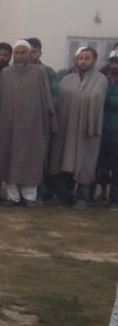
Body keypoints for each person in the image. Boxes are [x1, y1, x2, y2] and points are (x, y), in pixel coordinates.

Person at [0, 40, 56, 207]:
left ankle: (30, 197)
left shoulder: (39, 72)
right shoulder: (6, 73)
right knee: (9, 158)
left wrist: (50, 121)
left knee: (31, 160)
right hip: (8, 126)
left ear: (28, 54)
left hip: (33, 125)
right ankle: (12, 196)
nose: (19, 56)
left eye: (22, 52)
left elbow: (46, 98)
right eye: (16, 53)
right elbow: (0, 99)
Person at [49, 47, 109, 209]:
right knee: (65, 160)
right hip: (67, 129)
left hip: (87, 130)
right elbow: (60, 101)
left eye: (87, 58)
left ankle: (83, 198)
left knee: (85, 162)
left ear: (94, 60)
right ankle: (65, 196)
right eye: (80, 58)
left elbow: (96, 97)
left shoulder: (100, 79)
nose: (83, 61)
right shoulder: (67, 79)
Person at [98, 50, 118, 210]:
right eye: (112, 62)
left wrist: (106, 99)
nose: (114, 65)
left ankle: (115, 199)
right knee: (101, 165)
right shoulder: (103, 79)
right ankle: (102, 193)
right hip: (102, 129)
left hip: (116, 130)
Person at [26, 37, 59, 103]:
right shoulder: (19, 71)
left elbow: (54, 96)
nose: (30, 55)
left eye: (34, 51)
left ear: (40, 53)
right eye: (28, 52)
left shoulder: (49, 72)